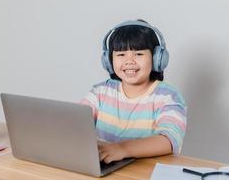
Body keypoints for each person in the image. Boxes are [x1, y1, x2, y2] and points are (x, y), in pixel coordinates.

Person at [80, 20, 187, 164]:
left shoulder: (167, 97)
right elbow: (75, 124)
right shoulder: (100, 93)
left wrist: (123, 149)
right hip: (104, 168)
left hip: (146, 172)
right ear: (108, 60)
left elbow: (169, 140)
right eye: (121, 54)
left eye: (138, 54)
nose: (129, 61)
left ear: (157, 59)